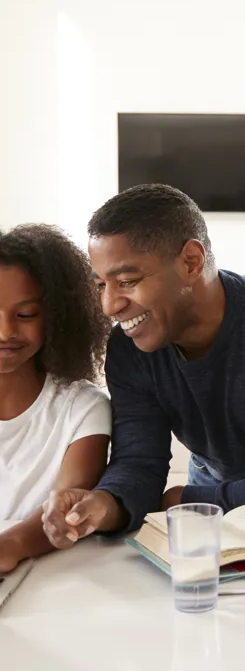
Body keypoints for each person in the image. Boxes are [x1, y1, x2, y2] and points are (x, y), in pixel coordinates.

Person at [42, 184, 245, 547]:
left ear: (191, 261)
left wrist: (185, 501)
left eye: (127, 281)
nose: (110, 306)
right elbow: (139, 463)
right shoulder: (130, 350)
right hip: (211, 507)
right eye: (101, 285)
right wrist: (105, 502)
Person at [0, 225, 112, 573]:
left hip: (44, 584)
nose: (5, 332)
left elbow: (66, 506)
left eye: (25, 315)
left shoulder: (82, 409)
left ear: (55, 316)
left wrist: (12, 545)